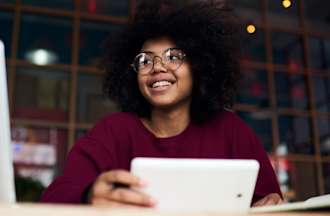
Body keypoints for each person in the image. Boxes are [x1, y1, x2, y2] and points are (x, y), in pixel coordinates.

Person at [41, 1, 283, 207]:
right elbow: (54, 197)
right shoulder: (113, 131)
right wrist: (88, 196)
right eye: (145, 61)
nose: (157, 67)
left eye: (173, 57)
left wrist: (272, 204)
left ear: (198, 66)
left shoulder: (231, 130)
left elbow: (271, 201)